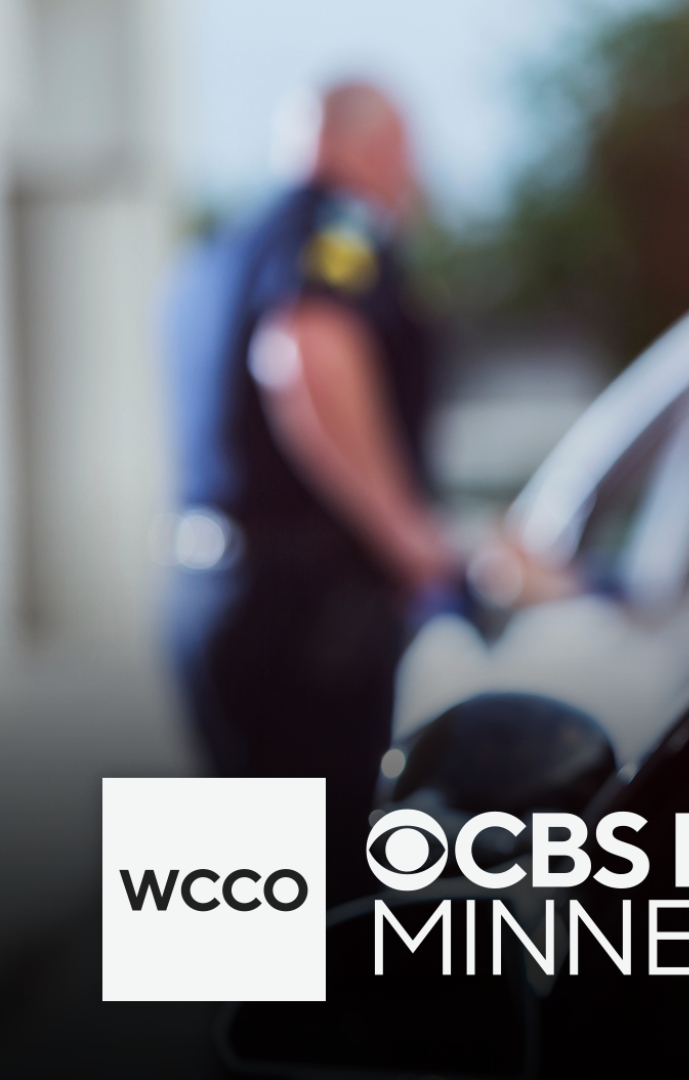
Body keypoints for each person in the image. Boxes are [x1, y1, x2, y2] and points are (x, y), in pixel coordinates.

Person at [165, 81, 456, 899]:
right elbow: (305, 352)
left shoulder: (220, 248)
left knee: (226, 901)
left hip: (203, 591)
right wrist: (409, 539)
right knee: (328, 904)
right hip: (305, 612)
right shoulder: (338, 226)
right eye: (406, 153)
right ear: (376, 146)